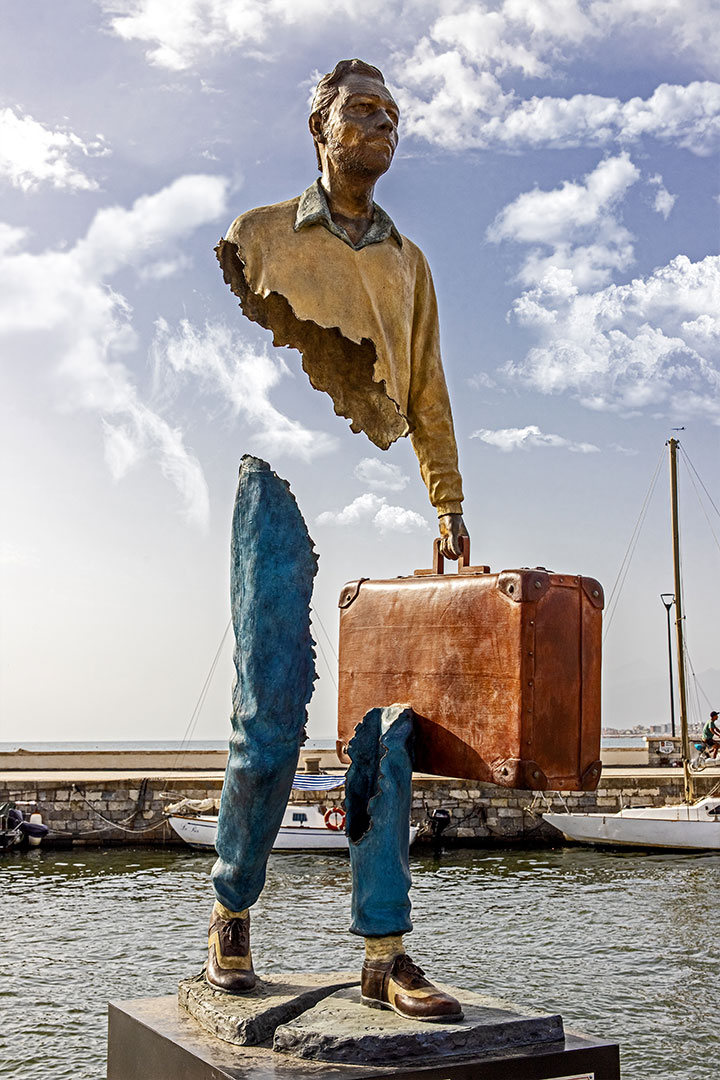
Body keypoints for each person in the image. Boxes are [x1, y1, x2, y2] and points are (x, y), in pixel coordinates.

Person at [209, 59, 468, 1022]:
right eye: (365, 110)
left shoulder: (411, 264)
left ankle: (385, 950)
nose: (383, 125)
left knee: (387, 732)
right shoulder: (259, 236)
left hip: (379, 491)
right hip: (276, 484)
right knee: (268, 719)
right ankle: (232, 909)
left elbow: (431, 388)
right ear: (319, 125)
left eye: (394, 115)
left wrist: (446, 500)